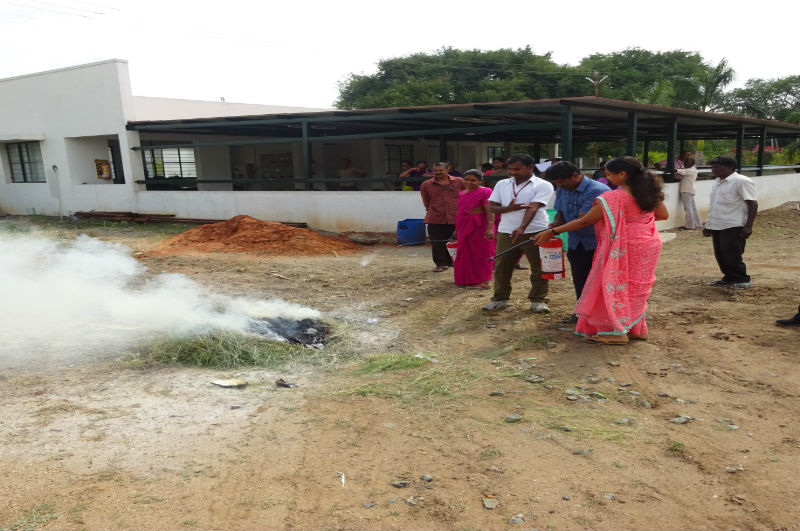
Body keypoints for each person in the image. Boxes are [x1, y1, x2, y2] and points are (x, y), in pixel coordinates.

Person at [533, 156, 669, 344]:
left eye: (609, 174)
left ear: (622, 174)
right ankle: (636, 329)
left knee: (614, 285)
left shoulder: (613, 197)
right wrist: (635, 221)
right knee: (637, 287)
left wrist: (553, 231)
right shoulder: (649, 193)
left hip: (624, 245)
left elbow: (585, 221)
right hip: (648, 243)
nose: (607, 178)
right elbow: (662, 215)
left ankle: (616, 332)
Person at [482, 153, 554, 313]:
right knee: (501, 266)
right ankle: (500, 299)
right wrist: (508, 208)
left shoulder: (543, 185)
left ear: (530, 167)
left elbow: (533, 207)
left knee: (539, 266)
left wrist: (522, 227)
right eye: (510, 169)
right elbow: (492, 207)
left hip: (536, 231)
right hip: (506, 231)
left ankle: (538, 300)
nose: (513, 172)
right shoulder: (502, 184)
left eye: (517, 169)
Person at [542, 161, 610, 324]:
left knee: (601, 281)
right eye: (556, 183)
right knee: (580, 279)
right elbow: (560, 212)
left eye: (562, 182)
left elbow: (584, 220)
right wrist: (556, 223)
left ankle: (603, 315)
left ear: (575, 175)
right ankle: (582, 313)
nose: (559, 186)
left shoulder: (597, 190)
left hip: (598, 243)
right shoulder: (562, 189)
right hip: (576, 242)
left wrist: (553, 231)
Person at [703, 155, 758, 289]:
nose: (714, 170)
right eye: (712, 167)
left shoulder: (741, 181)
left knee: (732, 254)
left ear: (730, 167)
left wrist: (748, 226)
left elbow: (752, 204)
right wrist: (709, 225)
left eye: (718, 167)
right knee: (720, 254)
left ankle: (741, 279)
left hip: (733, 223)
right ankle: (729, 277)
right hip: (718, 224)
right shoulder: (717, 182)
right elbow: (715, 205)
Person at [420, 162, 465, 272]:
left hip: (456, 217)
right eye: (435, 171)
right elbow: (426, 201)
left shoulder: (459, 182)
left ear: (447, 170)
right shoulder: (426, 185)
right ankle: (441, 264)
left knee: (456, 241)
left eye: (441, 170)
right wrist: (434, 209)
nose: (438, 172)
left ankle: (454, 262)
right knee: (437, 242)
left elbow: (467, 196)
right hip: (435, 217)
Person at [454, 169, 495, 288]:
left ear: (480, 181)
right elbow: (461, 211)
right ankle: (467, 279)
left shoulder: (486, 192)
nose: (469, 182)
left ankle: (484, 280)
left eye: (473, 180)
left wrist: (490, 227)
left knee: (482, 253)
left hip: (479, 226)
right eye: (466, 179)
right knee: (465, 253)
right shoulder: (462, 193)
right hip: (463, 225)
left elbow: (490, 211)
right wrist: (457, 228)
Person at [675, 157, 701, 229]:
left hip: (686, 191)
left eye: (688, 163)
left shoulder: (692, 170)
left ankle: (690, 226)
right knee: (693, 208)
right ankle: (697, 224)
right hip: (690, 191)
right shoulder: (693, 170)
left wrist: (674, 169)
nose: (686, 164)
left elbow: (682, 171)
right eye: (685, 163)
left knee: (688, 209)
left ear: (692, 164)